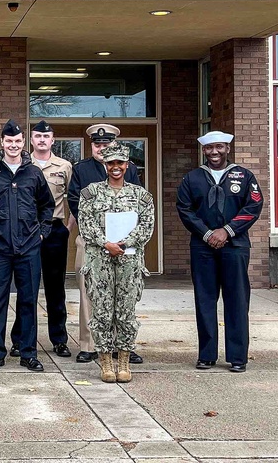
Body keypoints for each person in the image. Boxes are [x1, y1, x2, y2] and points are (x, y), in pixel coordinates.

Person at [176, 131, 264, 373]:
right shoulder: (192, 178)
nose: (214, 152)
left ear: (227, 148)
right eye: (209, 148)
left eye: (219, 147)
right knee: (205, 300)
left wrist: (227, 231)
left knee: (236, 300)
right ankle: (206, 355)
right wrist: (207, 234)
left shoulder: (244, 176)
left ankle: (237, 357)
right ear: (203, 151)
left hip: (235, 247)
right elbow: (185, 210)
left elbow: (254, 206)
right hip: (202, 248)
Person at [0, 120, 54, 373]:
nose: (13, 145)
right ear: (2, 143)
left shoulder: (34, 174)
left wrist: (42, 233)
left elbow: (47, 206)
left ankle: (28, 352)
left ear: (23, 143)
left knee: (28, 301)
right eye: (9, 141)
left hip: (29, 247)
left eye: (18, 141)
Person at [76, 142, 155, 384]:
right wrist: (105, 243)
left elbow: (147, 225)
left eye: (120, 163)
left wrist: (125, 242)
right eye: (111, 163)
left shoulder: (141, 195)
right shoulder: (91, 192)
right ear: (105, 165)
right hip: (100, 260)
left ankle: (123, 361)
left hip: (129, 261)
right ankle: (106, 361)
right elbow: (85, 223)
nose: (116, 167)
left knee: (126, 312)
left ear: (127, 164)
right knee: (102, 312)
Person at [68, 123, 143, 364]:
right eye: (98, 144)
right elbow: (74, 200)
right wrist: (98, 235)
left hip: (124, 242)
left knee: (124, 294)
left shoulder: (128, 169)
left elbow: (138, 201)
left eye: (106, 143)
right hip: (91, 241)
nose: (102, 148)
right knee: (90, 293)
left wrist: (123, 237)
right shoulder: (81, 169)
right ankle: (89, 345)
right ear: (92, 145)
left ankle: (122, 346)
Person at [11, 119, 74, 358]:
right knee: (26, 288)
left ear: (52, 140)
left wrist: (67, 227)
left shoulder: (64, 166)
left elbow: (73, 199)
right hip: (27, 232)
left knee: (55, 287)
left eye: (46, 137)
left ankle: (59, 338)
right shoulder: (21, 165)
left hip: (55, 232)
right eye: (37, 136)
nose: (42, 140)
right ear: (31, 140)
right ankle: (20, 339)